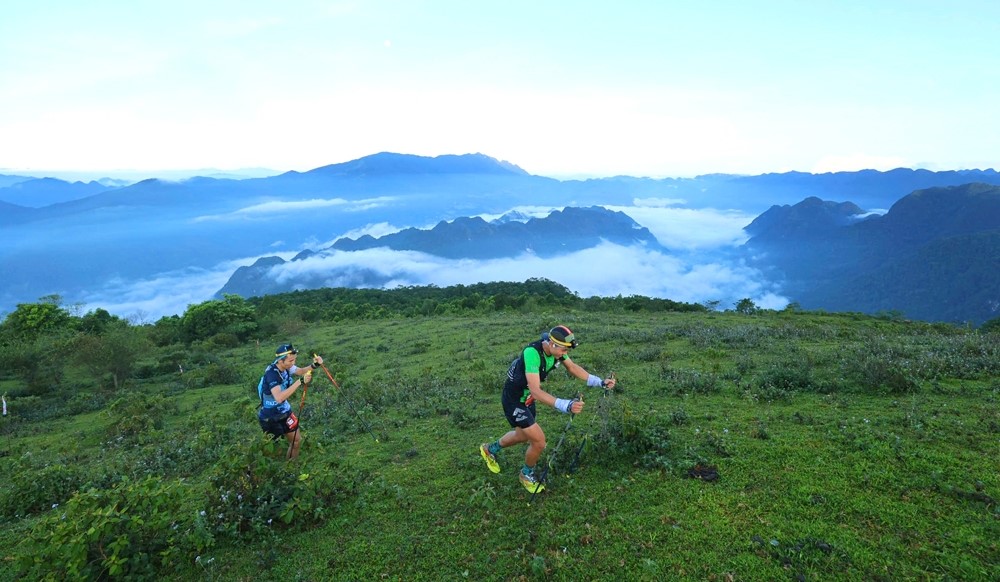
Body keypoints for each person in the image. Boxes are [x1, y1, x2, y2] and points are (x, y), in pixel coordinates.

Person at [479, 325, 616, 492]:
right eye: (564, 350)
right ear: (552, 344)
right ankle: (526, 474)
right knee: (539, 442)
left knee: (521, 436)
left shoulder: (556, 352)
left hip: (527, 399)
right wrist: (566, 405)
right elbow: (536, 391)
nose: (565, 354)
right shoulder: (532, 354)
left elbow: (572, 368)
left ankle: (489, 449)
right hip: (514, 401)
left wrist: (599, 382)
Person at [257, 343, 323, 460]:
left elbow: (301, 370)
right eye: (290, 361)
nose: (293, 363)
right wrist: (299, 382)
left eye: (294, 360)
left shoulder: (287, 367)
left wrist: (315, 365)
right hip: (271, 416)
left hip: (285, 411)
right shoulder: (272, 374)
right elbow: (279, 398)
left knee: (296, 441)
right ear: (280, 361)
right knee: (273, 450)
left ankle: (291, 470)